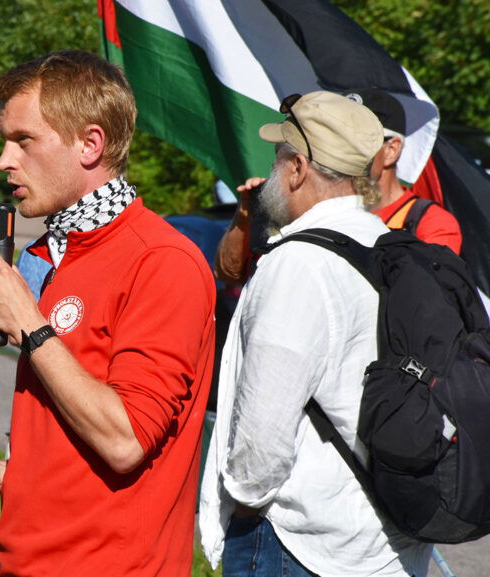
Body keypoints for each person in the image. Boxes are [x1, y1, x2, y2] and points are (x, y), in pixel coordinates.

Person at [0, 50, 216, 576]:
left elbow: (126, 440)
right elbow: (65, 429)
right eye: (5, 141)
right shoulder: (46, 253)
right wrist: (4, 473)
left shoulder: (162, 260)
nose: (4, 160)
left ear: (90, 144)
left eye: (23, 141)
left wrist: (30, 325)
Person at [198, 91, 433, 576]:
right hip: (387, 542)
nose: (272, 171)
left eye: (277, 157)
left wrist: (242, 504)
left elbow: (262, 434)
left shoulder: (298, 264)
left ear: (297, 168)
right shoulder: (387, 246)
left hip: (301, 543)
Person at [215, 88, 462, 285]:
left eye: (359, 140)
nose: (341, 148)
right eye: (337, 138)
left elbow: (423, 305)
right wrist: (248, 211)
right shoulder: (303, 208)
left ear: (392, 150)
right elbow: (229, 274)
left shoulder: (429, 223)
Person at [351, 88, 462, 253]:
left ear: (391, 150)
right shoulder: (326, 211)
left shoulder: (431, 223)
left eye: (357, 143)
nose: (342, 152)